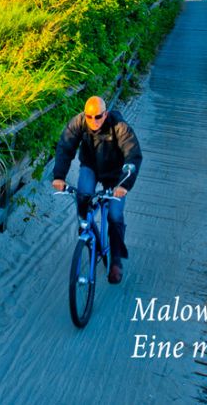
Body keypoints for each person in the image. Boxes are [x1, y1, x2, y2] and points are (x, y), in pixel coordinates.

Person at [51, 95, 143, 284]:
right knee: (82, 197)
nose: (94, 121)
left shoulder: (119, 127)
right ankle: (86, 230)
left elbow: (133, 155)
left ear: (106, 113)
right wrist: (59, 176)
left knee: (115, 215)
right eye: (89, 116)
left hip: (116, 174)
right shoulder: (79, 122)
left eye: (98, 116)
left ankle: (116, 260)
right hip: (91, 167)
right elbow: (65, 147)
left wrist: (124, 185)